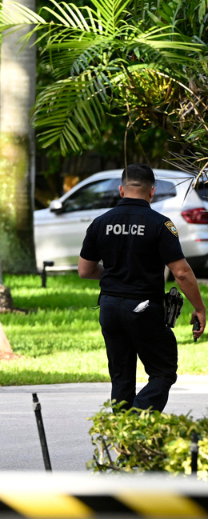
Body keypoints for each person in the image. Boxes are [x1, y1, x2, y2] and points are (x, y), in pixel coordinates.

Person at [78, 164, 206, 411]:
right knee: (163, 371)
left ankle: (125, 441)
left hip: (110, 307)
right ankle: (138, 423)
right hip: (145, 309)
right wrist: (199, 308)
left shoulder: (100, 222)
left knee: (121, 377)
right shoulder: (160, 224)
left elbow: (85, 271)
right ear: (152, 192)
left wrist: (118, 272)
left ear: (121, 190)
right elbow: (181, 272)